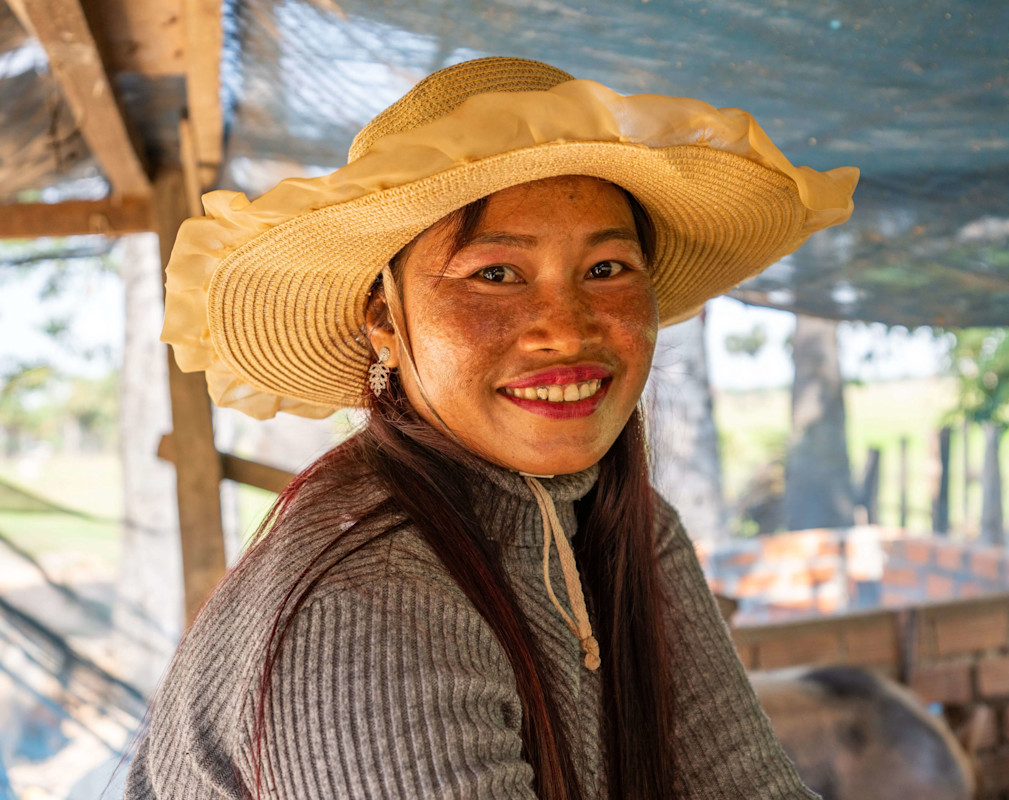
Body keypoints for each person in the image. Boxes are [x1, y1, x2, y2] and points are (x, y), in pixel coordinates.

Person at [125, 56, 857, 799]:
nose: (567, 332)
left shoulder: (621, 523)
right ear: (384, 320)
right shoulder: (372, 600)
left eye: (606, 269)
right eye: (495, 275)